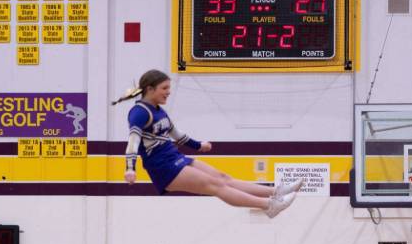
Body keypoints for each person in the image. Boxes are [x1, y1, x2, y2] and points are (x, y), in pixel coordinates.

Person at [112, 70, 302, 217]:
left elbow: (177, 135)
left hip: (175, 158)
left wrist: (198, 145)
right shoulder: (139, 112)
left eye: (169, 88)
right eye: (164, 88)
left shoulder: (158, 110)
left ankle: (276, 191)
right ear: (150, 89)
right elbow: (133, 141)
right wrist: (130, 168)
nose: (168, 92)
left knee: (223, 177)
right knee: (216, 186)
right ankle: (269, 205)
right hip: (163, 167)